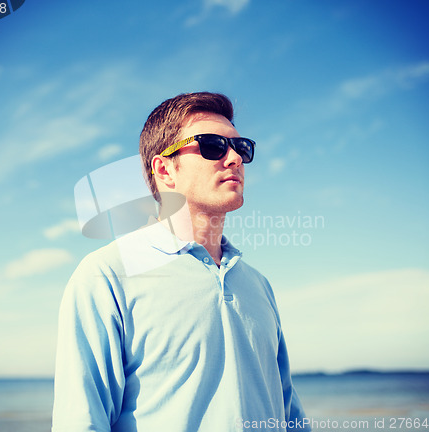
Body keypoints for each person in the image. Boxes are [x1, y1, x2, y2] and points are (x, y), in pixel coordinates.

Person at [52, 92, 310, 432]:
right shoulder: (106, 276)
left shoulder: (258, 285)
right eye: (213, 146)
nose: (235, 159)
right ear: (165, 170)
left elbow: (288, 412)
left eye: (241, 147)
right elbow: (82, 422)